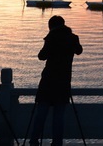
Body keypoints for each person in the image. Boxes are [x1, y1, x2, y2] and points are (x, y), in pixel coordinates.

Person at [30, 15, 83, 146]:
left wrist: (49, 39)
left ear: (51, 26)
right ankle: (57, 143)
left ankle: (34, 141)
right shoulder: (73, 38)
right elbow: (79, 51)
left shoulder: (52, 37)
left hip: (48, 80)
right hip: (64, 81)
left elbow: (41, 56)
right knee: (59, 115)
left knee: (41, 113)